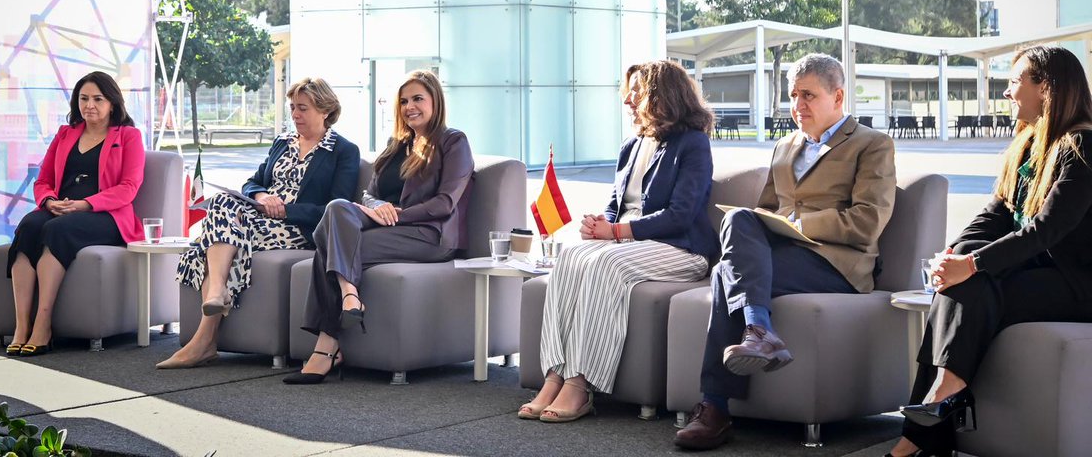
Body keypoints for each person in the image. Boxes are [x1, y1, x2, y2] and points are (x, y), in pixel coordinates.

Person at [675, 53, 896, 450]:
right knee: (739, 222)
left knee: (726, 273)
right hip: (783, 258)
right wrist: (773, 224)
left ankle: (714, 407)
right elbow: (763, 215)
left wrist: (799, 226)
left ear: (839, 96)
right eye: (793, 96)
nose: (798, 106)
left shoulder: (871, 144)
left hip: (837, 265)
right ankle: (759, 332)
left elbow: (866, 222)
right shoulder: (785, 145)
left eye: (808, 95)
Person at [888, 46, 1092, 457]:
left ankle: (926, 424)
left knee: (974, 283)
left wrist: (974, 264)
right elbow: (996, 213)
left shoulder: (1081, 146)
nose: (1006, 92)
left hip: (1076, 284)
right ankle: (940, 407)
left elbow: (1044, 231)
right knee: (959, 284)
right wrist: (956, 254)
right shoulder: (1031, 144)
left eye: (1015, 81)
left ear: (1045, 88)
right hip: (1034, 272)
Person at [519, 60, 717, 423]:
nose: (628, 99)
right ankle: (554, 375)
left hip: (681, 249)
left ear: (662, 95)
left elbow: (681, 214)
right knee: (571, 256)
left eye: (637, 91)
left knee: (605, 262)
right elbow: (615, 206)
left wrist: (617, 233)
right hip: (628, 244)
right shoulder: (631, 145)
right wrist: (600, 224)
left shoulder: (693, 144)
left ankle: (580, 385)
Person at [283, 69, 473, 385]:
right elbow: (369, 194)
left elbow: (445, 204)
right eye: (403, 101)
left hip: (430, 235)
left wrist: (396, 214)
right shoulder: (396, 145)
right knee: (338, 208)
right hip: (387, 227)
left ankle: (325, 348)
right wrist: (376, 208)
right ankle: (349, 295)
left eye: (417, 99)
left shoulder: (453, 141)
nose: (409, 106)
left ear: (435, 101)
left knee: (330, 245)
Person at [159, 77, 359, 369]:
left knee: (204, 245)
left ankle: (204, 340)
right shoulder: (283, 143)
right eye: (292, 108)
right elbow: (251, 183)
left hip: (297, 229)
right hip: (258, 217)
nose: (295, 115)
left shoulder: (343, 150)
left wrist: (285, 211)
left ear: (325, 110)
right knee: (219, 203)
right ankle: (216, 291)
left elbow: (334, 209)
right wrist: (264, 196)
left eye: (302, 108)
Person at [6, 71, 144, 356]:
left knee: (57, 230)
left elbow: (129, 188)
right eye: (83, 98)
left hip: (106, 215)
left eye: (97, 99)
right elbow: (42, 180)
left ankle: (43, 325)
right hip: (62, 208)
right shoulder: (65, 134)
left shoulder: (128, 136)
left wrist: (85, 204)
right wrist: (48, 201)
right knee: (29, 226)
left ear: (112, 104)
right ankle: (21, 326)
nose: (89, 105)